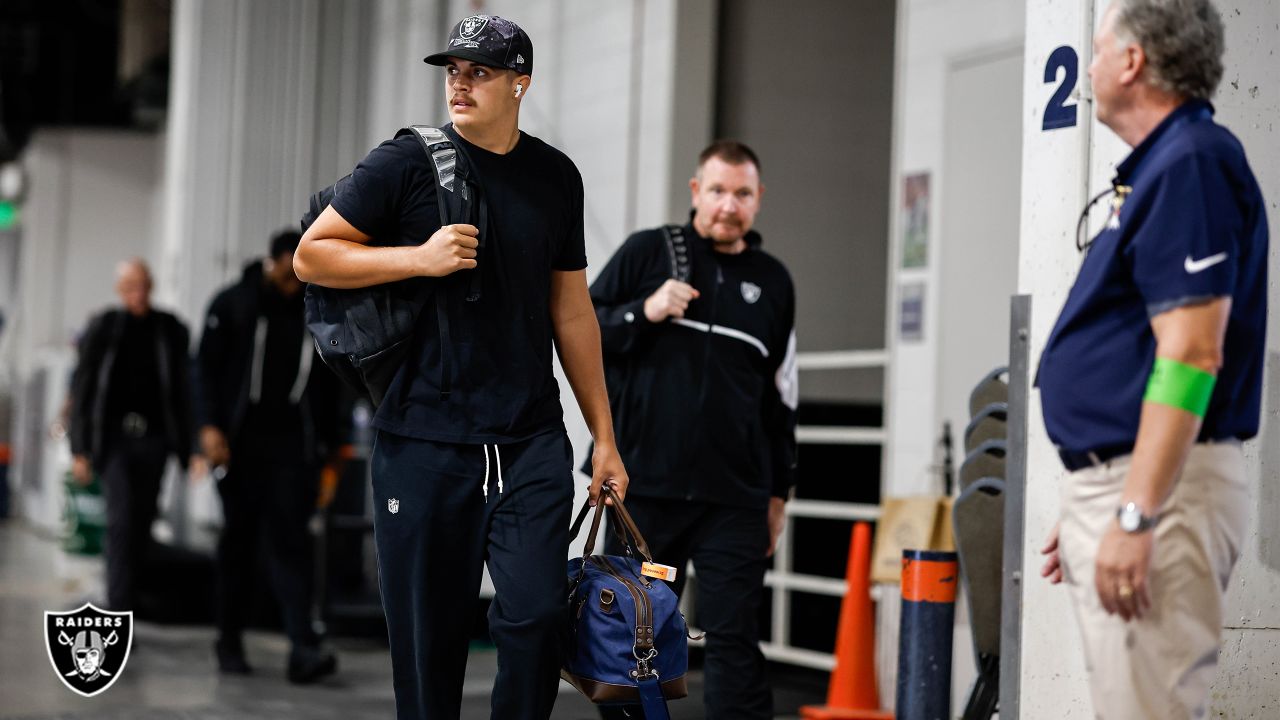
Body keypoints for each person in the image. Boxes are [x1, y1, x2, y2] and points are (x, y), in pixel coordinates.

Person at [293, 14, 628, 720]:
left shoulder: (555, 178)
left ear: (519, 84)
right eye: (453, 71)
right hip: (422, 442)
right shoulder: (405, 163)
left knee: (537, 620)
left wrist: (604, 435)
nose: (460, 84)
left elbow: (571, 311)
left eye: (479, 71)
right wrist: (419, 257)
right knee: (428, 647)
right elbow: (312, 255)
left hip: (529, 441)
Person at [1036, 2, 1267, 717]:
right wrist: (1103, 484)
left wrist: (1135, 511)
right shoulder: (1166, 166)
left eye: (1099, 50)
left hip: (1161, 496)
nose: (1090, 68)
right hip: (1136, 481)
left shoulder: (1193, 163)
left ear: (1132, 63)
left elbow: (1192, 352)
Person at [587, 140, 798, 719]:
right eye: (719, 191)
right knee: (636, 640)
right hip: (646, 498)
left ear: (758, 200)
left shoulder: (773, 282)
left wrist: (779, 492)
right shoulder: (647, 254)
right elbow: (584, 332)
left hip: (734, 502)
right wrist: (644, 312)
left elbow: (782, 397)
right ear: (695, 192)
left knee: (734, 640)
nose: (729, 205)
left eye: (743, 193)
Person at [197, 230, 341, 683]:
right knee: (237, 545)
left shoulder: (316, 309)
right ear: (274, 261)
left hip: (291, 448)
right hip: (240, 443)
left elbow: (329, 386)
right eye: (289, 268)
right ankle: (228, 641)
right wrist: (208, 427)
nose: (294, 280)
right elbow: (203, 369)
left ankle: (302, 649)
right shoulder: (234, 303)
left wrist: (330, 455)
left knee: (292, 547)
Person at [69, 259, 194, 612]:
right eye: (130, 287)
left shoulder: (168, 329)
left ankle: (128, 598)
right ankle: (118, 607)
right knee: (121, 521)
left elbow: (184, 390)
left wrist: (191, 447)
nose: (138, 293)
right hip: (114, 442)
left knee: (141, 524)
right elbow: (84, 389)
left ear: (151, 286)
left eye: (143, 285)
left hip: (154, 441)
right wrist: (80, 449)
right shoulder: (105, 328)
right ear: (120, 290)